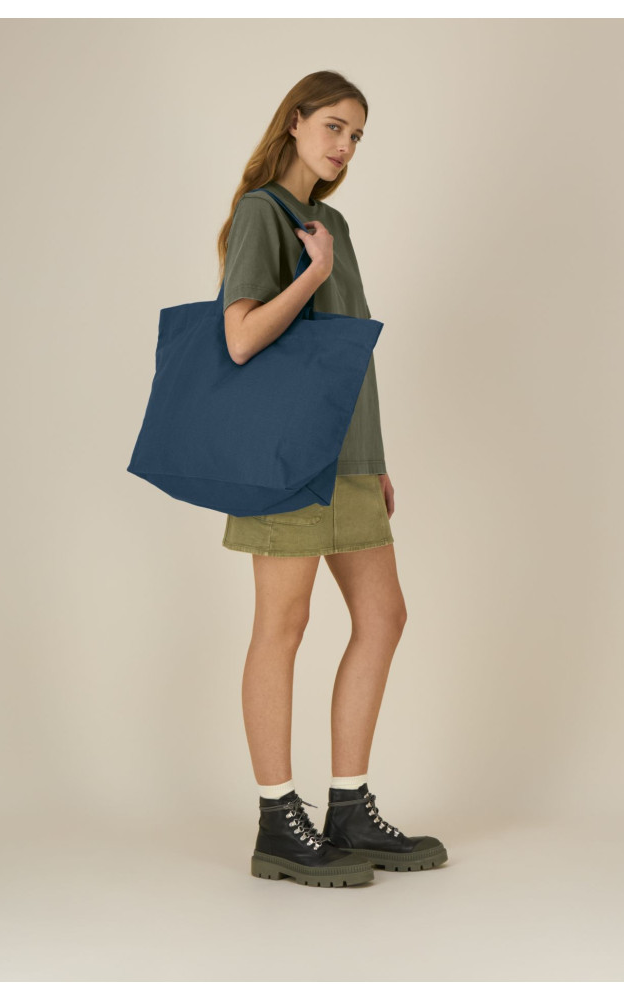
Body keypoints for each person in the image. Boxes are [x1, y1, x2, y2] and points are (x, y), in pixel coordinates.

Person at [217, 70, 447, 888]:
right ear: (295, 121)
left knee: (383, 616)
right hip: (284, 457)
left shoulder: (332, 222)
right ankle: (277, 821)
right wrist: (310, 276)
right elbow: (240, 338)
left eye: (356, 135)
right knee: (282, 625)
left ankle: (347, 807)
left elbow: (348, 352)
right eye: (334, 126)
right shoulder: (262, 214)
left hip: (346, 456)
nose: (345, 145)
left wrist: (373, 458)